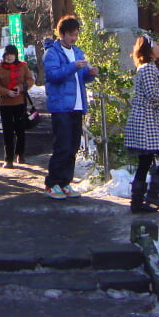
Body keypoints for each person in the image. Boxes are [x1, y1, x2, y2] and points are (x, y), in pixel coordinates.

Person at [42, 14, 98, 200]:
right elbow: (53, 76)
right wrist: (74, 66)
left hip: (77, 105)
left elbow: (81, 78)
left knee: (73, 146)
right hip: (61, 106)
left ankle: (65, 182)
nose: (73, 38)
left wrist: (90, 74)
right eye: (71, 34)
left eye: (76, 34)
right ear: (62, 34)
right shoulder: (52, 53)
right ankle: (52, 183)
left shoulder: (78, 52)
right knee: (62, 146)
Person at [124, 35, 159, 212]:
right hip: (146, 120)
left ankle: (138, 202)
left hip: (147, 119)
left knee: (145, 161)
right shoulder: (147, 69)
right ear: (149, 49)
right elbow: (153, 95)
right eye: (157, 45)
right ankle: (151, 195)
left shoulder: (147, 68)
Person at [0, 44, 34, 168]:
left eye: (11, 55)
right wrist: (6, 92)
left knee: (20, 129)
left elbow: (30, 80)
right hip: (5, 104)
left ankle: (20, 154)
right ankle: (8, 158)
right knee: (8, 131)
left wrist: (20, 88)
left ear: (16, 55)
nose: (9, 57)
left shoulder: (23, 66)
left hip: (20, 102)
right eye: (7, 55)